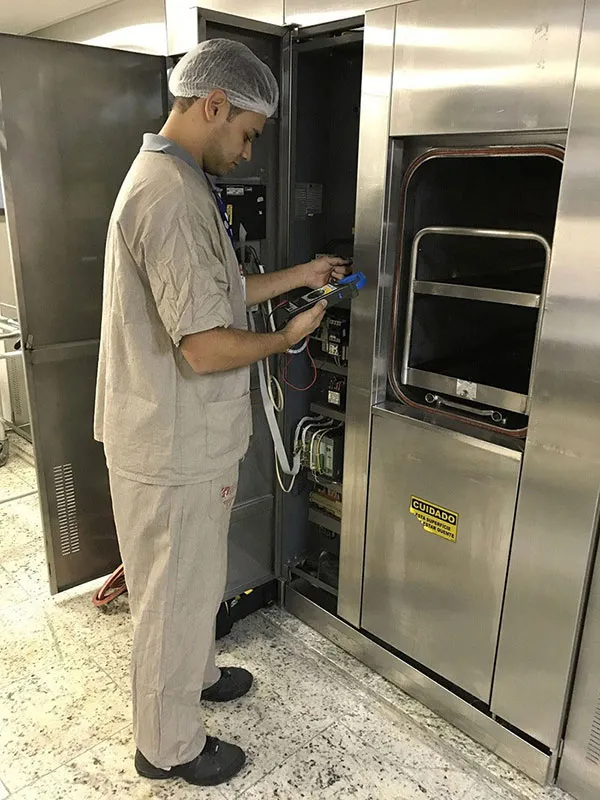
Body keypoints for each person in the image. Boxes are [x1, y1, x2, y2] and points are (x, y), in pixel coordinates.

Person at [93, 39, 349, 788]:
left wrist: (301, 274)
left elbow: (216, 294)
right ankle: (167, 746)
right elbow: (204, 347)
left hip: (185, 436)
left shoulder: (179, 183)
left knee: (191, 581)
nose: (247, 150)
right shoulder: (168, 196)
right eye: (248, 133)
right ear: (214, 105)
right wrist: (287, 336)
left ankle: (196, 675)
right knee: (171, 597)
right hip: (169, 442)